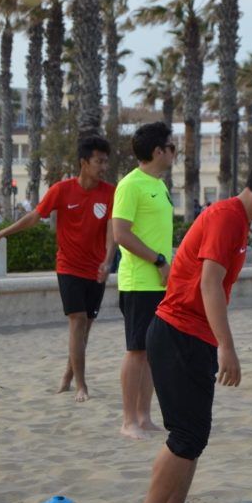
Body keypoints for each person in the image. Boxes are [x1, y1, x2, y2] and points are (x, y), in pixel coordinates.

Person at [130, 148, 252, 503]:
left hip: (195, 338)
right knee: (185, 434)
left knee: (196, 435)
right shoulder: (226, 217)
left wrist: (216, 343)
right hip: (176, 333)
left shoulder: (239, 222)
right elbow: (210, 283)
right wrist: (228, 347)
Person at [0, 137, 116, 402]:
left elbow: (112, 231)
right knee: (77, 321)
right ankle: (81, 385)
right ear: (84, 162)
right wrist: (2, 233)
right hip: (68, 267)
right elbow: (35, 216)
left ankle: (68, 377)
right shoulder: (62, 190)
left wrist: (108, 261)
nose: (103, 166)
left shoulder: (110, 193)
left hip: (96, 270)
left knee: (85, 328)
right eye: (98, 161)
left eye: (105, 161)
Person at [112, 122, 176, 439]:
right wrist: (159, 261)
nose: (175, 152)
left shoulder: (159, 185)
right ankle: (128, 421)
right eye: (172, 147)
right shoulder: (130, 185)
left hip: (160, 283)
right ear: (157, 152)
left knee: (152, 352)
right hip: (139, 283)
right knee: (136, 350)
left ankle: (144, 416)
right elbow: (121, 233)